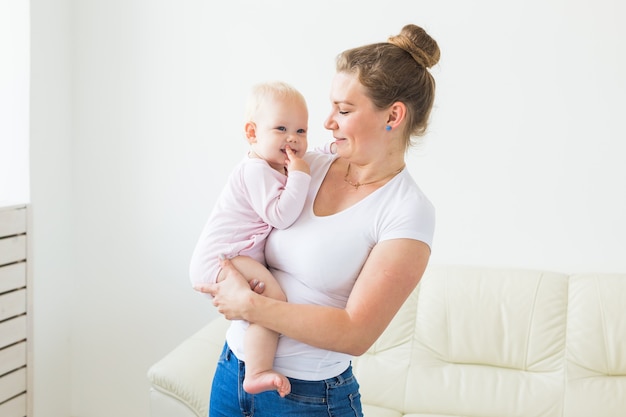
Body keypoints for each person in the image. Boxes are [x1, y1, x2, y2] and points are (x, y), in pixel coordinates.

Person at [192, 23, 439, 417]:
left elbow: (356, 332)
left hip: (308, 398)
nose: (328, 122)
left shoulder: (407, 211)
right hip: (231, 373)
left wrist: (251, 306)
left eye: (343, 110)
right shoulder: (309, 165)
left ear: (393, 115)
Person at [189, 81, 313, 397]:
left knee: (263, 303)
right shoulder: (256, 171)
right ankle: (257, 371)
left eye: (301, 131)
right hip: (220, 259)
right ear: (252, 133)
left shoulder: (272, 168)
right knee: (273, 301)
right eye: (282, 128)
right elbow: (281, 215)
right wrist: (300, 175)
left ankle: (256, 368)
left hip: (231, 259)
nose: (293, 139)